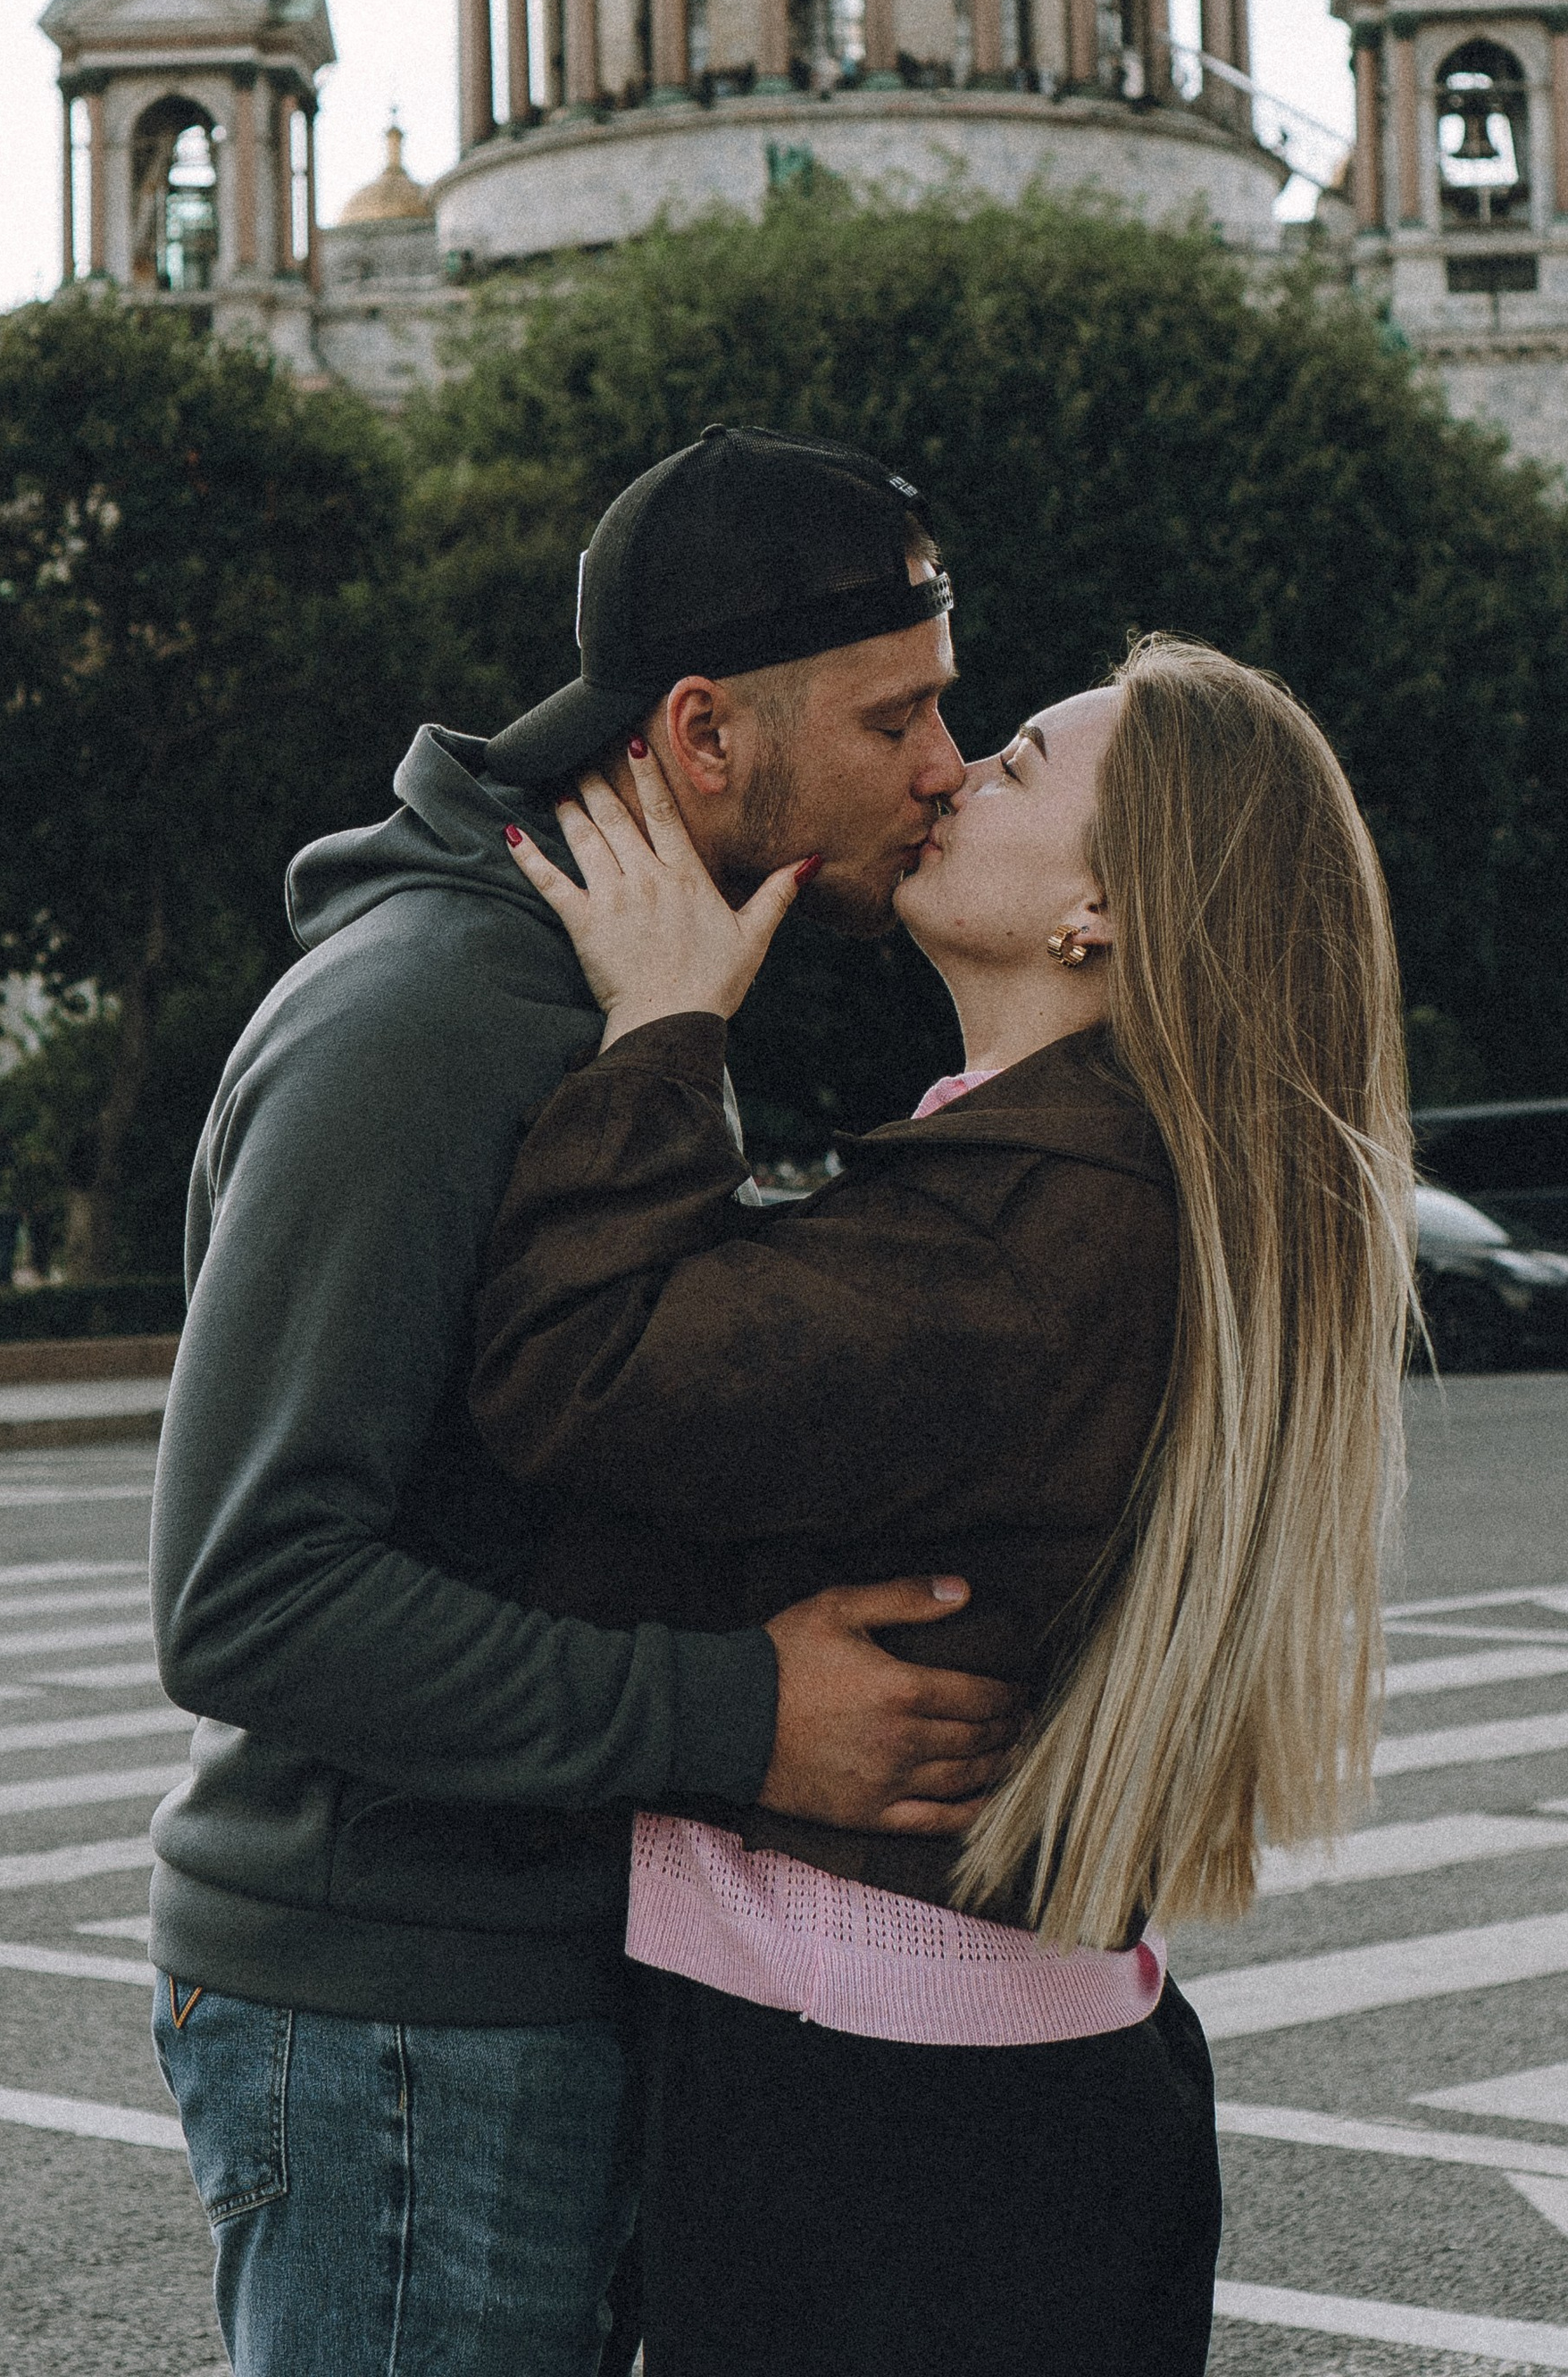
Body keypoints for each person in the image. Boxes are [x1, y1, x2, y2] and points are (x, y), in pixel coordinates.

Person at [148, 424, 1016, 2377]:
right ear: (703, 733)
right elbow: (246, 1599)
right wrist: (744, 1716)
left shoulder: (619, 982)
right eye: (896, 718)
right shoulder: (438, 1014)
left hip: (521, 1974)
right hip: (399, 2014)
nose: (947, 769)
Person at [480, 635, 1419, 2377]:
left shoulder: (1019, 1239)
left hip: (874, 2119)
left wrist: (664, 1027)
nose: (947, 771)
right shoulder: (1073, 1187)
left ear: (1100, 910)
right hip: (983, 2084)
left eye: (1017, 766)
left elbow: (576, 1380)